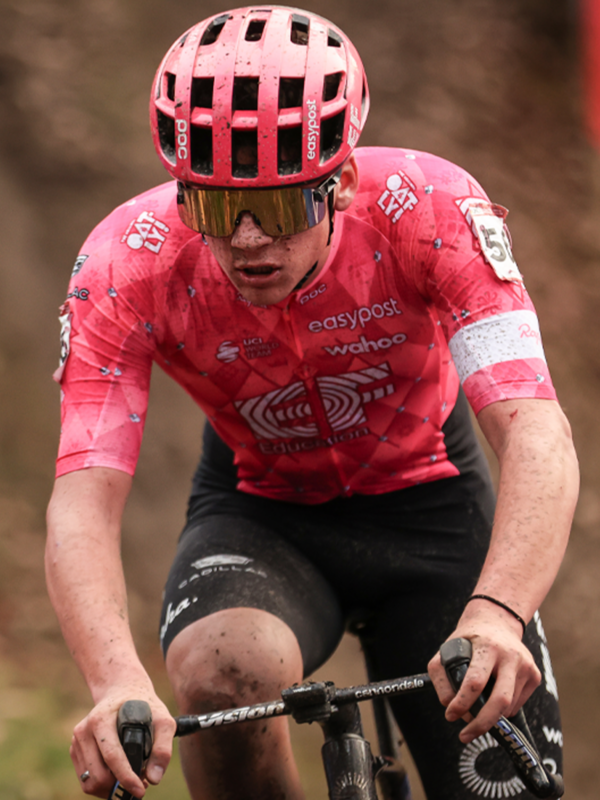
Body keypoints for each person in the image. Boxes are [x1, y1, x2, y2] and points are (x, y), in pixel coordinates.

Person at [45, 6, 579, 800]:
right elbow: (84, 494)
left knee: (501, 779)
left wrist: (499, 613)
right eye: (220, 210)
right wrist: (114, 678)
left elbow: (534, 427)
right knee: (216, 674)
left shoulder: (426, 209)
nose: (251, 240)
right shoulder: (128, 263)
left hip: (432, 502)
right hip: (264, 513)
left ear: (345, 180)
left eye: (286, 206)